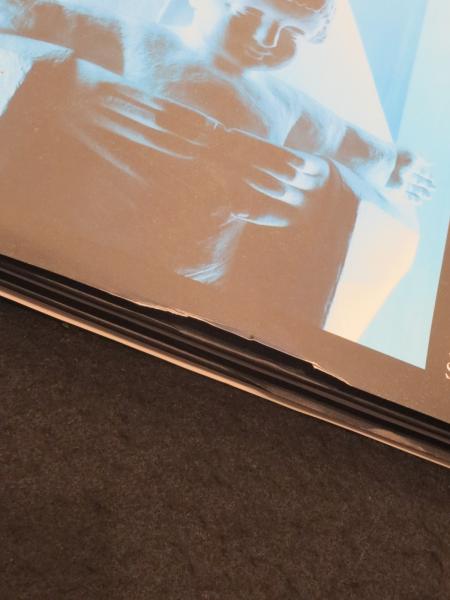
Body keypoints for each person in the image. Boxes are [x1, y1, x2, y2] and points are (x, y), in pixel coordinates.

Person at [0, 0, 434, 350]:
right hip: (87, 233)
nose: (266, 39)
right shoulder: (139, 39)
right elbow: (34, 16)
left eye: (291, 34)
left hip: (193, 278)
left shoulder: (287, 104)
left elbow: (347, 142)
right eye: (251, 13)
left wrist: (395, 166)